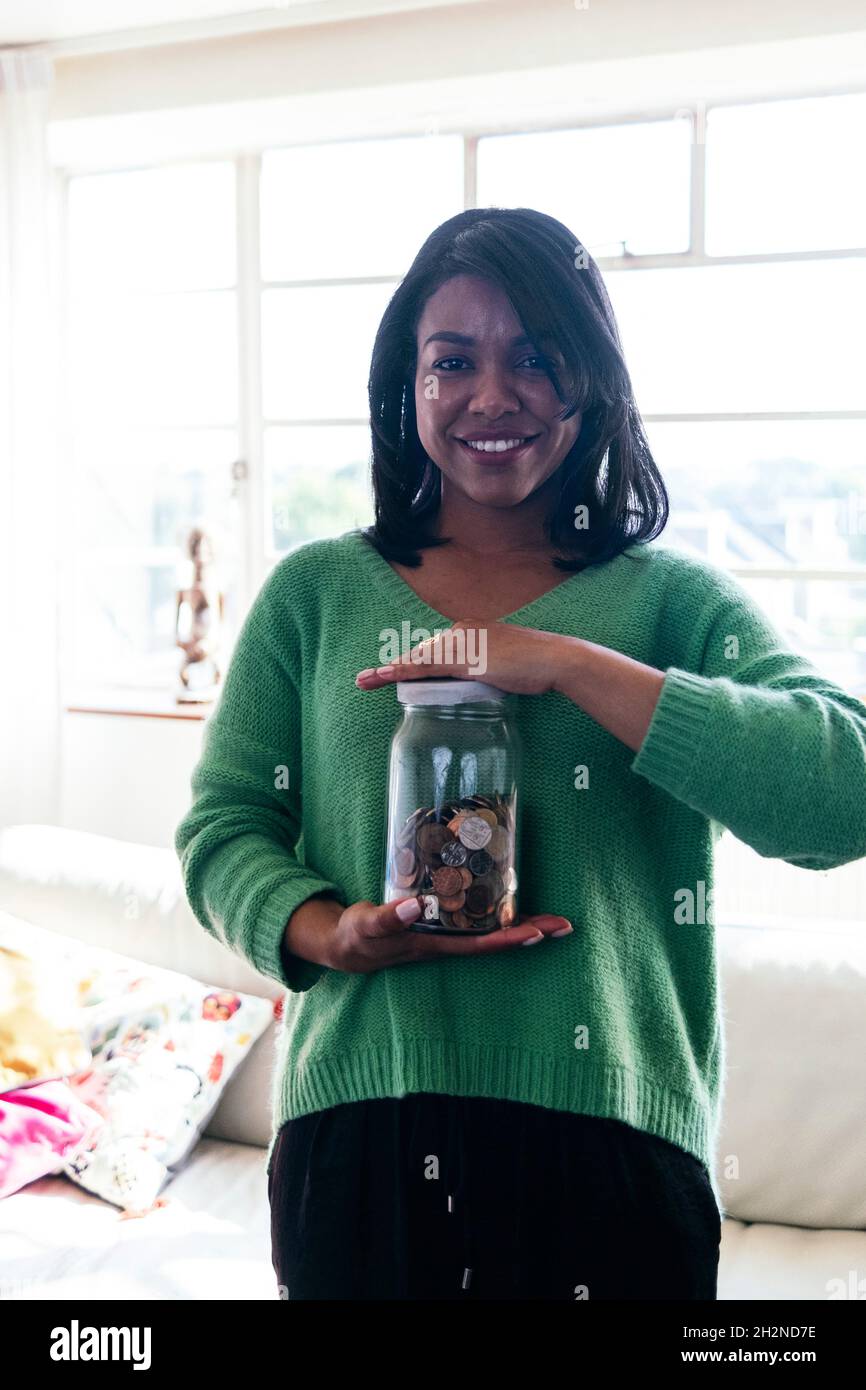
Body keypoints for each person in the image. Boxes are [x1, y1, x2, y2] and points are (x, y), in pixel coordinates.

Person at [175, 207, 866, 1301]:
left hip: (614, 1158)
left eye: (536, 357)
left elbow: (844, 794)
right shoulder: (313, 595)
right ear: (407, 383)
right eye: (452, 360)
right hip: (360, 1145)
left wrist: (572, 664)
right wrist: (329, 932)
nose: (492, 396)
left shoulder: (668, 602)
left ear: (588, 380)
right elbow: (222, 830)